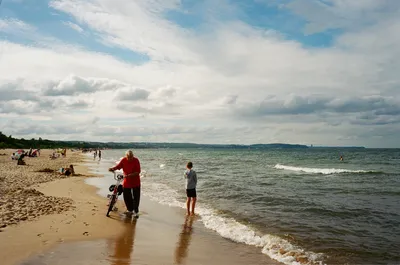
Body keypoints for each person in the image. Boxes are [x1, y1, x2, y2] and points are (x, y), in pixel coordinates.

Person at [109, 150, 141, 218]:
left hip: (135, 181)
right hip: (127, 181)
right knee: (126, 196)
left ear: (133, 156)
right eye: (128, 157)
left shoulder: (136, 160)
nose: (130, 158)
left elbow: (138, 172)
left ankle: (136, 211)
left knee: (136, 197)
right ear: (126, 156)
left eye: (131, 157)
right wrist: (113, 169)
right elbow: (119, 166)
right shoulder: (124, 160)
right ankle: (130, 210)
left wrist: (129, 175)